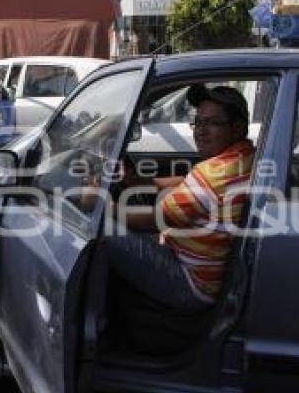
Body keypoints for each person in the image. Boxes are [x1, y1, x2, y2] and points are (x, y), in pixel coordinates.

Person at [104, 84, 255, 312]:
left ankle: (97, 325)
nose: (201, 130)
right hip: (199, 265)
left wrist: (104, 207)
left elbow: (155, 219)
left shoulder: (213, 176)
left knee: (98, 229)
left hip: (190, 282)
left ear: (237, 128)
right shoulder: (243, 157)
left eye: (212, 123)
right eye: (199, 121)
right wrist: (139, 183)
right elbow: (186, 181)